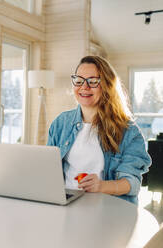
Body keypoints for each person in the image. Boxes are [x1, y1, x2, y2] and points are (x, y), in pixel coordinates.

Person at [47, 55, 151, 204]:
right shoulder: (60, 123)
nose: (84, 87)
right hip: (67, 204)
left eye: (93, 81)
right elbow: (50, 171)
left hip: (109, 208)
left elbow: (132, 183)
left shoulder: (128, 131)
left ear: (107, 85)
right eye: (79, 80)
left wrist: (101, 186)